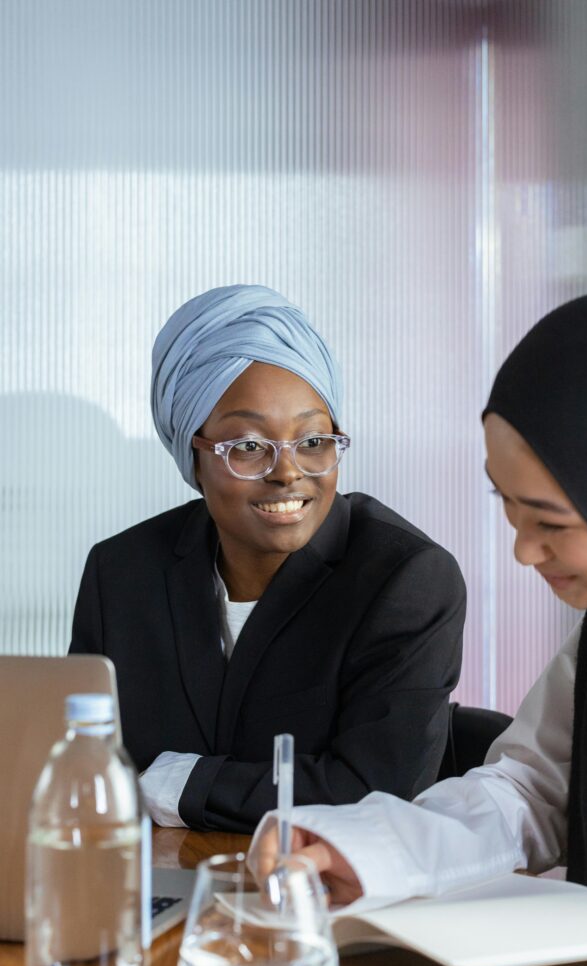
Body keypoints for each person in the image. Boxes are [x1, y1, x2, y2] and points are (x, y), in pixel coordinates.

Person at [251, 285, 587, 966]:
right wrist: (360, 849)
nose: (522, 551)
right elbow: (530, 788)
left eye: (549, 521)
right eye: (506, 507)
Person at [69, 285, 466, 833]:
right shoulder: (121, 574)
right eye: (249, 446)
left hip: (325, 899)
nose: (288, 472)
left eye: (313, 440)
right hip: (151, 891)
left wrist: (174, 784)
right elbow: (78, 768)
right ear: (193, 453)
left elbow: (377, 793)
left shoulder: (405, 580)